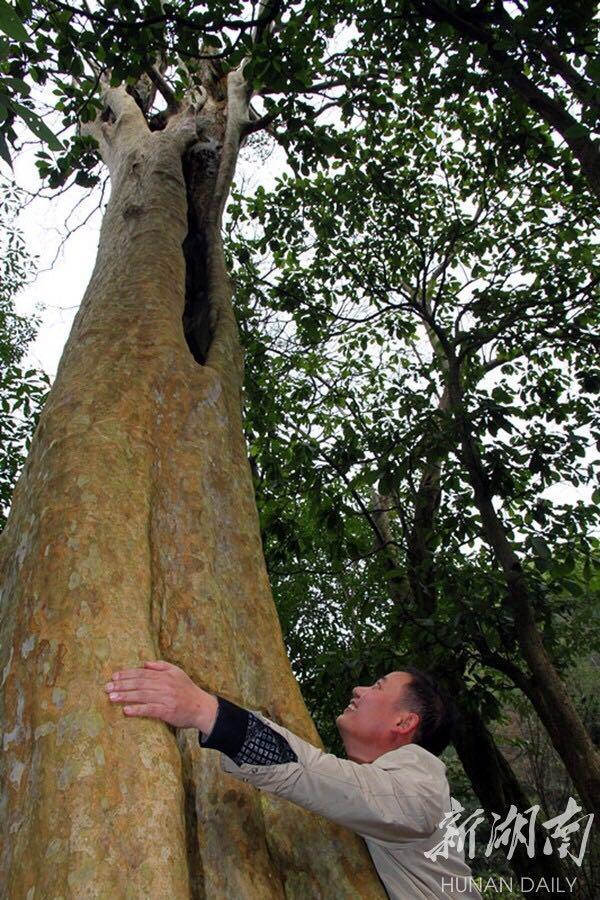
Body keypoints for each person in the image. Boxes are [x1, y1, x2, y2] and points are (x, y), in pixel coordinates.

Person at [104, 660, 483, 899]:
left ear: (404, 723)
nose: (359, 690)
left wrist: (207, 711)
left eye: (378, 686)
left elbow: (325, 778)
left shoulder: (423, 773)